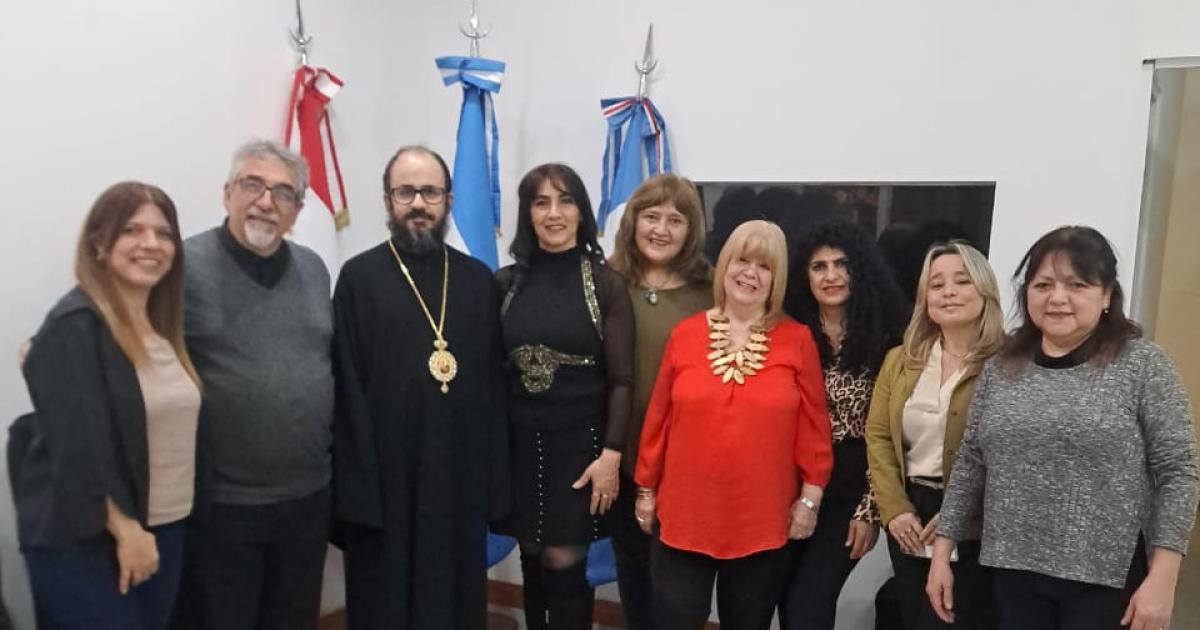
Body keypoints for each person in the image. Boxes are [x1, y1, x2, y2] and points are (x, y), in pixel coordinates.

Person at [928, 226, 1199, 630]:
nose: (1057, 298)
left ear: (1106, 295)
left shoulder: (1142, 365)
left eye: (1077, 284)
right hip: (1009, 574)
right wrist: (941, 553)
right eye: (1043, 284)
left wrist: (1163, 578)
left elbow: (1179, 471)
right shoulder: (1002, 368)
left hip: (1107, 583)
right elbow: (971, 462)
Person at [332, 145, 510, 629]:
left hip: (458, 477)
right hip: (384, 484)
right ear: (388, 201)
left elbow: (495, 389)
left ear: (449, 199)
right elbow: (345, 391)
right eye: (405, 191)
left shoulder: (476, 280)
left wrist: (495, 487)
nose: (418, 203)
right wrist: (357, 491)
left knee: (452, 602)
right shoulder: (358, 279)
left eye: (429, 192)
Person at [10, 182, 200, 629]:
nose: (150, 244)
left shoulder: (163, 328)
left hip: (164, 528)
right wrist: (127, 530)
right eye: (132, 230)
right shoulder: (74, 325)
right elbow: (79, 448)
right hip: (95, 540)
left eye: (164, 233)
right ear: (99, 242)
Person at [635, 220, 832, 630]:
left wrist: (810, 500)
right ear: (725, 265)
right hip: (685, 516)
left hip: (761, 521)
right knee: (675, 620)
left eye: (764, 266)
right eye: (742, 260)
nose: (750, 273)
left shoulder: (797, 340)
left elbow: (813, 428)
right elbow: (659, 419)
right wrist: (646, 490)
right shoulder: (685, 334)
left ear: (776, 279)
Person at [172, 140, 333, 630]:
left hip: (307, 501)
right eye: (253, 185)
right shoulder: (183, 267)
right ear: (227, 194)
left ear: (297, 210)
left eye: (283, 193)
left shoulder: (313, 268)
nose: (266, 201)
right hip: (223, 507)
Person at [495, 163, 634, 629]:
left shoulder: (605, 284)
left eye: (565, 200)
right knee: (531, 558)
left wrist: (611, 456)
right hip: (519, 447)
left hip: (581, 455)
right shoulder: (505, 284)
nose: (554, 213)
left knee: (564, 562)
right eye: (541, 202)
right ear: (527, 214)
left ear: (581, 210)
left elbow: (622, 380)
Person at [863, 241, 1004, 629]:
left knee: (959, 617)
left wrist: (962, 514)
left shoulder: (1010, 363)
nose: (948, 292)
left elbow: (1013, 452)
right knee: (915, 615)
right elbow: (877, 436)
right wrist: (894, 510)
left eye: (962, 281)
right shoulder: (901, 359)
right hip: (912, 512)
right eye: (937, 284)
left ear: (985, 291)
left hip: (979, 519)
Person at [778, 219, 909, 629]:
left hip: (853, 481)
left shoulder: (890, 337)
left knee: (809, 604)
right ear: (805, 275)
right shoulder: (788, 333)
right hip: (789, 480)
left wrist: (870, 509)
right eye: (819, 267)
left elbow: (891, 432)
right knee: (784, 598)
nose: (831, 276)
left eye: (841, 264)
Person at [606, 174, 712, 630]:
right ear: (633, 221)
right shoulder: (605, 282)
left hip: (685, 468)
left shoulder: (713, 291)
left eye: (676, 219)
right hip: (621, 460)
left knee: (679, 595)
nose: (661, 229)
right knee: (634, 584)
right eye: (651, 216)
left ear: (691, 230)